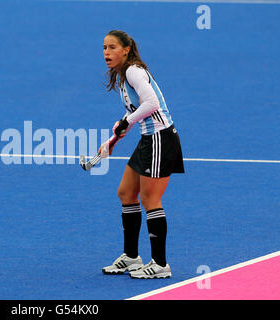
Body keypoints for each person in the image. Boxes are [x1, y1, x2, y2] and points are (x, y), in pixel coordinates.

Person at [99, 30, 184, 279]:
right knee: (126, 192)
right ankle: (132, 256)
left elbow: (152, 104)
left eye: (112, 47)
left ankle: (159, 264)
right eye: (104, 48)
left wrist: (128, 121)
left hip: (161, 138)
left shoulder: (133, 71)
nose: (106, 52)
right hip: (149, 139)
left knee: (150, 200)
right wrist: (114, 138)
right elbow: (137, 112)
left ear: (126, 49)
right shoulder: (125, 74)